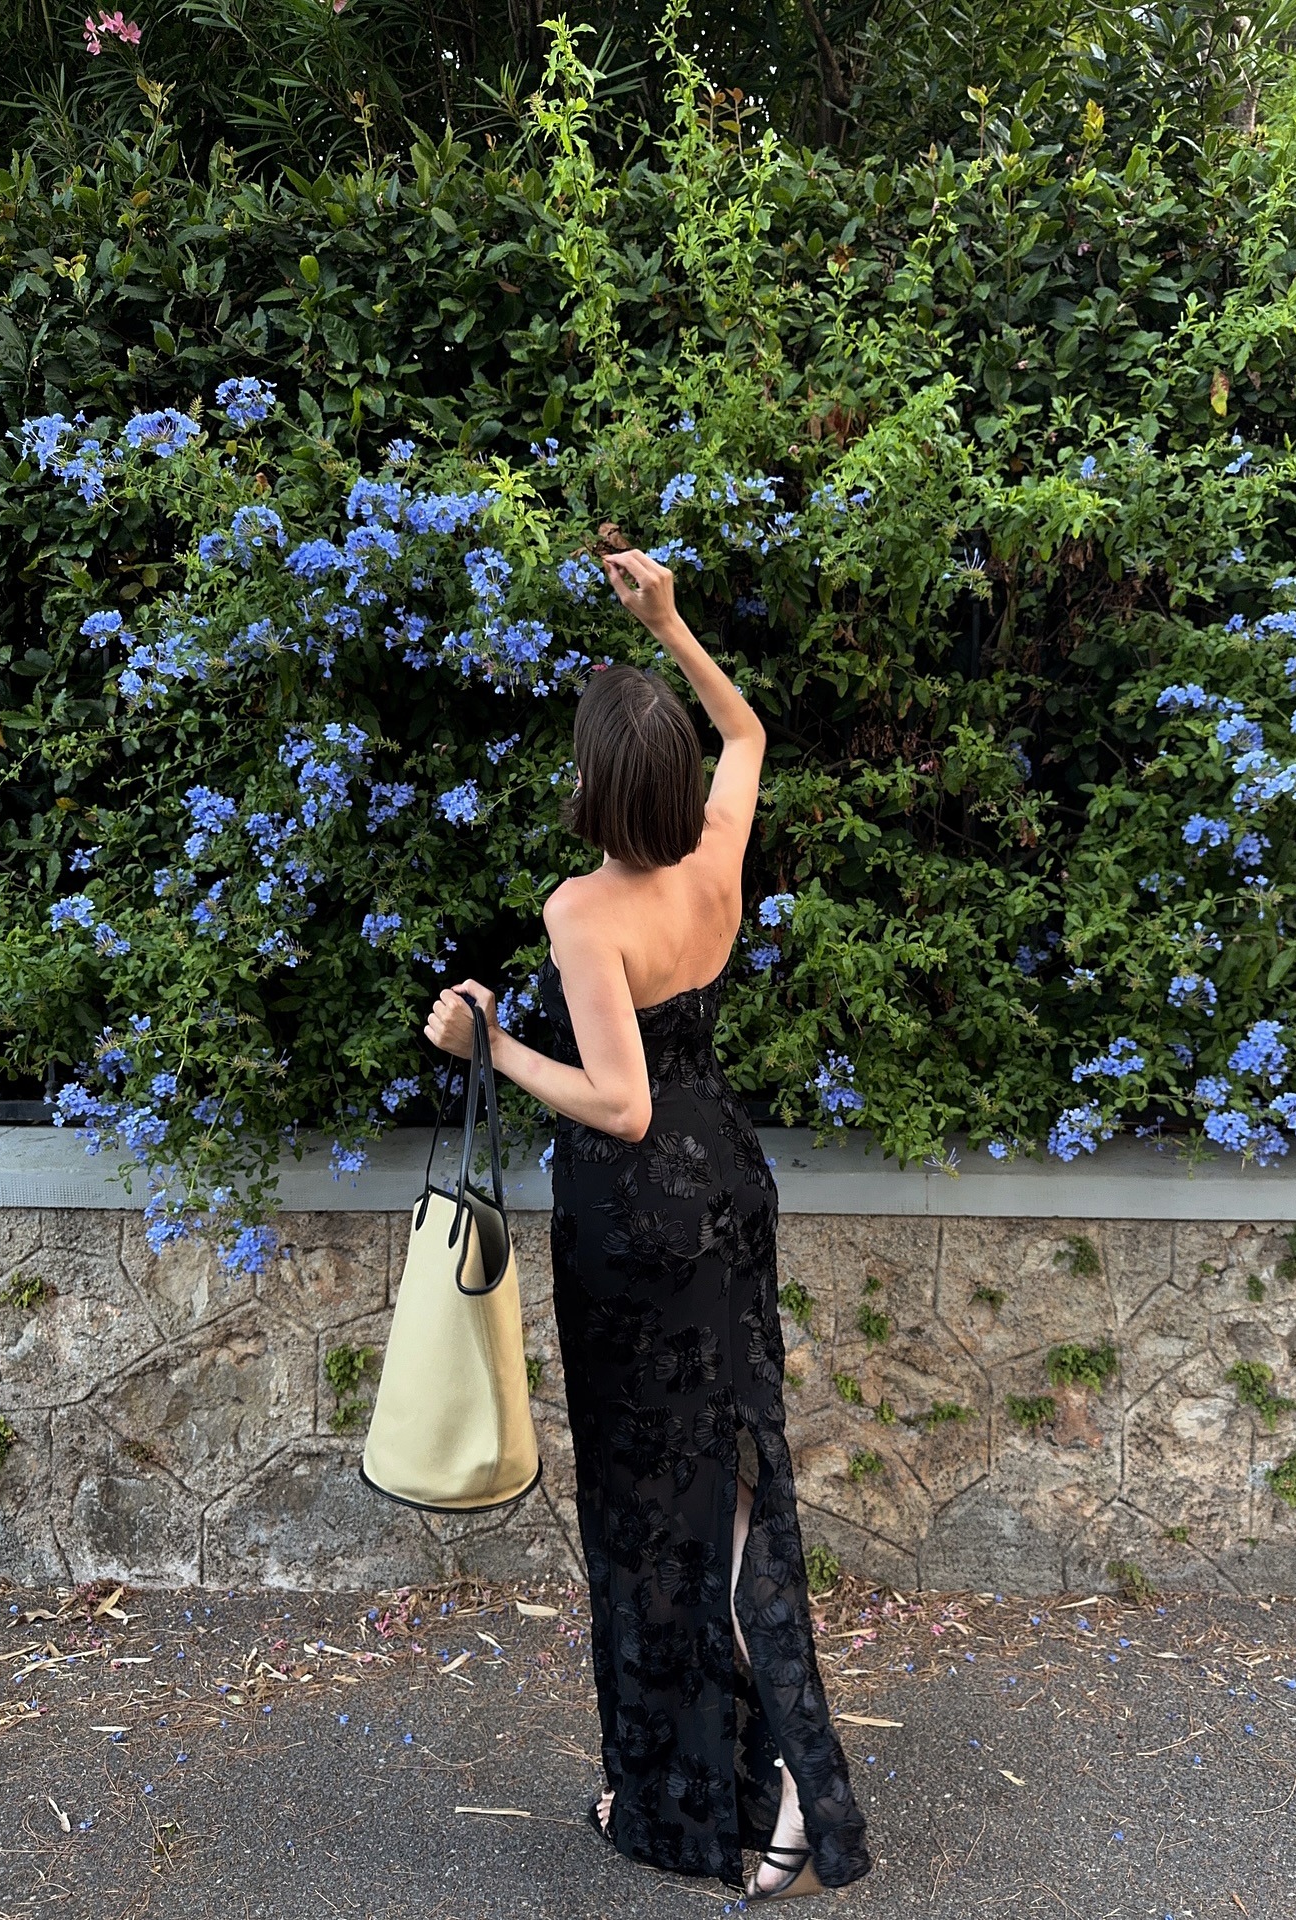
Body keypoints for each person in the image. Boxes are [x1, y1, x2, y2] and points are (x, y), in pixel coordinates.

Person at [424, 548, 871, 1902]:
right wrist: (672, 622)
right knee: (736, 1473)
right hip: (728, 1182)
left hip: (637, 1215)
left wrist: (488, 1045)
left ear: (592, 793)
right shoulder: (715, 853)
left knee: (643, 1506)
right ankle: (775, 1764)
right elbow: (748, 727)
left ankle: (694, 1796)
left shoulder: (584, 912)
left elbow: (614, 1104)